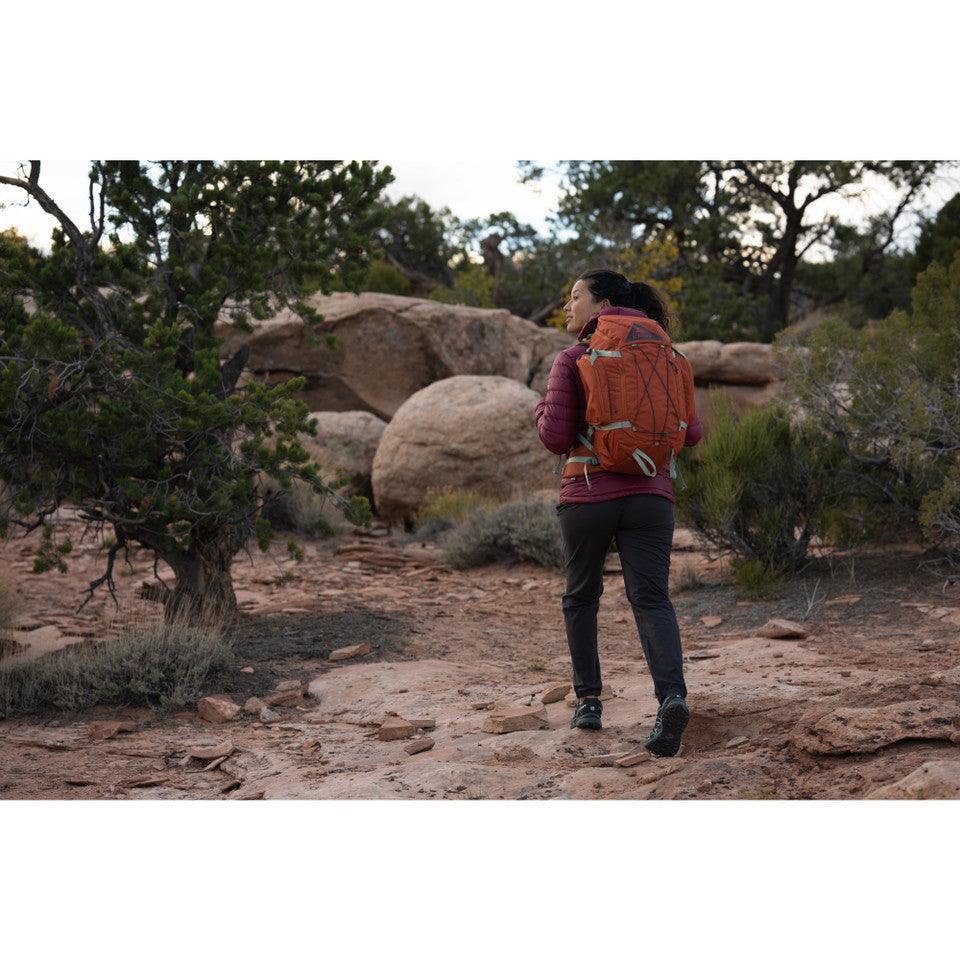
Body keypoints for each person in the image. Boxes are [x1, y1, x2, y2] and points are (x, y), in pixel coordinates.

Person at [534, 269, 703, 757]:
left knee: (581, 597)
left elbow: (554, 437)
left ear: (602, 305)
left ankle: (589, 702)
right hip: (652, 497)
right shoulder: (670, 356)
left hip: (588, 494)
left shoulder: (575, 357)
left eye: (575, 297)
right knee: (651, 598)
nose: (568, 307)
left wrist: (541, 409)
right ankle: (671, 698)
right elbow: (691, 433)